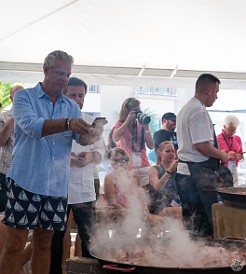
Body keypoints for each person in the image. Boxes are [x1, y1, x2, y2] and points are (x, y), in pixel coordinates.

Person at [0, 50, 103, 274]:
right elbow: (32, 127)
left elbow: (81, 139)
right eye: (59, 73)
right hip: (25, 180)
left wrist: (92, 134)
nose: (64, 79)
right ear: (45, 71)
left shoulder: (71, 107)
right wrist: (68, 123)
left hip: (56, 186)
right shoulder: (24, 97)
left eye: (67, 75)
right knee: (15, 243)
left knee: (45, 244)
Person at [49, 77, 106, 274]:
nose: (77, 99)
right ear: (64, 95)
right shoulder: (54, 121)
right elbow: (46, 152)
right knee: (56, 237)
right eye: (73, 95)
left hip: (85, 188)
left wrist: (91, 156)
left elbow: (102, 152)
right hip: (58, 187)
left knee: (89, 236)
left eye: (81, 95)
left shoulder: (91, 121)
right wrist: (67, 159)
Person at [175, 73, 228, 238]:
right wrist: (222, 154)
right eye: (216, 92)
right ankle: (203, 259)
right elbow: (202, 146)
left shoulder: (186, 108)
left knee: (191, 223)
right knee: (205, 224)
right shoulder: (198, 110)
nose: (216, 97)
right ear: (209, 90)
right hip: (197, 176)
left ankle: (191, 256)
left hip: (185, 173)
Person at [112, 97, 154, 188]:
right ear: (127, 111)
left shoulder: (141, 124)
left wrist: (146, 128)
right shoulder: (120, 124)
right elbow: (115, 137)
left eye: (139, 110)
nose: (138, 113)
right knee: (132, 198)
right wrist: (127, 122)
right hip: (128, 167)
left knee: (146, 198)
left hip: (144, 165)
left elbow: (151, 146)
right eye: (135, 110)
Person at [0, 85, 24, 212]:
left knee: (20, 211)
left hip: (25, 174)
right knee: (4, 210)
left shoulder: (32, 117)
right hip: (5, 172)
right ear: (11, 98)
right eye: (17, 95)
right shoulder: (3, 116)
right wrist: (12, 120)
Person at [148, 141, 181, 219]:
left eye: (173, 151)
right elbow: (157, 187)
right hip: (159, 207)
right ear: (160, 154)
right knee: (184, 212)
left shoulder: (177, 170)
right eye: (167, 151)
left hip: (175, 204)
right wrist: (169, 172)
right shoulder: (154, 169)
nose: (171, 153)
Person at [217, 115, 244, 186]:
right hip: (222, 169)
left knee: (235, 189)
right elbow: (214, 157)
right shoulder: (217, 139)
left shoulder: (237, 139)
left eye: (234, 130)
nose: (231, 132)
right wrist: (226, 156)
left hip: (234, 169)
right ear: (224, 127)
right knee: (223, 189)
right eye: (229, 129)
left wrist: (239, 156)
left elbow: (241, 156)